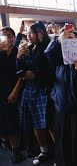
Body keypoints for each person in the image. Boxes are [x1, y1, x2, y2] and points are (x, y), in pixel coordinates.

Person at [45, 25, 77, 166]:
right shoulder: (58, 60)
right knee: (62, 139)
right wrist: (57, 40)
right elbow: (48, 54)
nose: (73, 46)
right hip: (61, 106)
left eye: (76, 42)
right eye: (69, 41)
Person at [16, 21, 55, 165]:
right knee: (35, 123)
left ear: (40, 33)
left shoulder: (48, 49)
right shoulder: (28, 48)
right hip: (29, 89)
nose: (28, 36)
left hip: (44, 90)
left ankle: (59, 153)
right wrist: (18, 58)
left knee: (48, 123)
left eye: (31, 33)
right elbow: (20, 70)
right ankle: (43, 151)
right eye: (28, 33)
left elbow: (50, 71)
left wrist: (36, 74)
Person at [0, 27, 24, 163]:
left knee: (11, 121)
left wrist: (15, 91)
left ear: (14, 37)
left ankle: (16, 150)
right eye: (3, 36)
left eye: (10, 36)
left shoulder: (18, 52)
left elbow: (21, 74)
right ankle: (6, 142)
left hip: (14, 90)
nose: (7, 39)